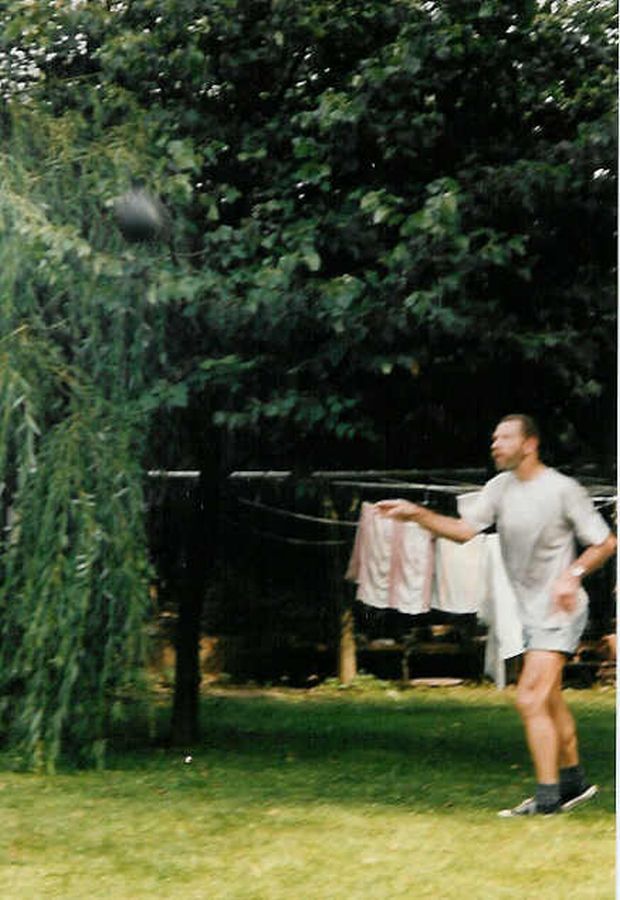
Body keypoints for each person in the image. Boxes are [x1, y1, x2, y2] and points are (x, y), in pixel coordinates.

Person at [376, 414, 617, 817]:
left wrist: (571, 576)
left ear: (530, 444)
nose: (495, 444)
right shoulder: (499, 488)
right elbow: (464, 531)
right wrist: (415, 513)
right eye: (494, 438)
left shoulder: (562, 490)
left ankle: (547, 801)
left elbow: (606, 543)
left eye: (504, 438)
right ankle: (573, 782)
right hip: (530, 611)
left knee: (529, 697)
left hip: (560, 609)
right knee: (549, 699)